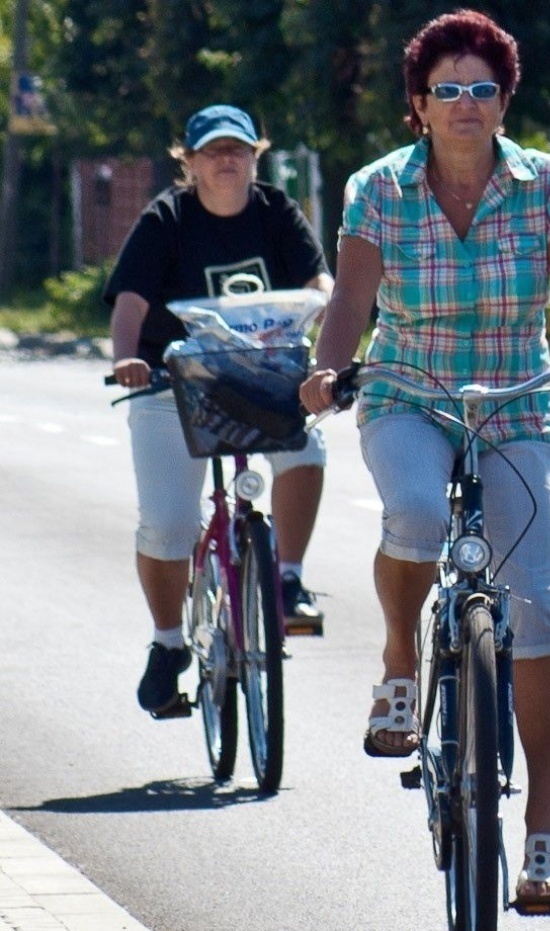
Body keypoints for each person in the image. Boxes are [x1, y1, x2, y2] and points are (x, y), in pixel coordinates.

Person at [300, 10, 550, 910]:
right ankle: (399, 664)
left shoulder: (548, 181)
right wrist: (327, 369)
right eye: (445, 89)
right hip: (409, 394)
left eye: (482, 88)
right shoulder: (377, 188)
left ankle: (542, 829)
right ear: (418, 104)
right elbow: (353, 301)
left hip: (516, 401)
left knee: (538, 606)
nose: (465, 103)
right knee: (414, 513)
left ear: (502, 102)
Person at [105, 104, 334, 717]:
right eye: (212, 150)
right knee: (168, 524)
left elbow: (319, 282)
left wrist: (321, 315)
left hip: (262, 376)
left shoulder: (276, 211)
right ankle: (167, 643)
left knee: (307, 448)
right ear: (190, 161)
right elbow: (130, 304)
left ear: (256, 156)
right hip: (170, 384)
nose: (226, 159)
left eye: (238, 149)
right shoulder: (166, 219)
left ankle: (287, 577)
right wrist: (127, 358)